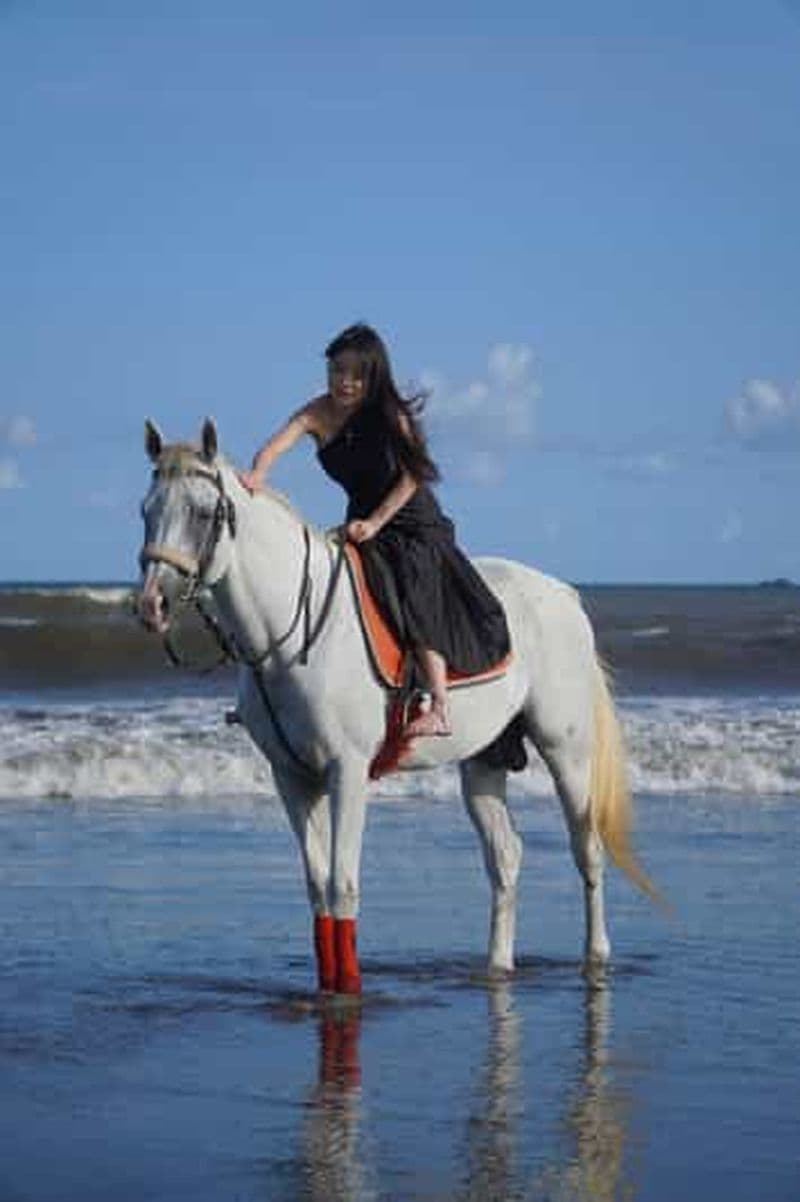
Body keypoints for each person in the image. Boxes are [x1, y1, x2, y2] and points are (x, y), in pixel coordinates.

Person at [239, 323, 510, 737]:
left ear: (373, 376)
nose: (344, 382)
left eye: (355, 374)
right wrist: (258, 474)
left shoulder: (390, 415)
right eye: (337, 371)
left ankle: (437, 703)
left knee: (410, 587)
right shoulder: (317, 412)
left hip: (410, 521)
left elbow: (413, 476)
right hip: (360, 521)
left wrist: (376, 522)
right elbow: (276, 445)